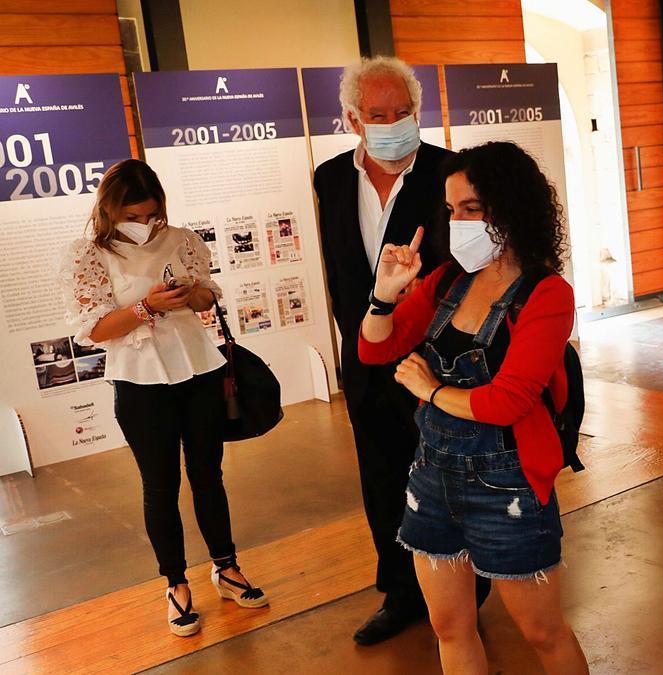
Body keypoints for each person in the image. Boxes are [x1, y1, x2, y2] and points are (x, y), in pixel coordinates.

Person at [359, 141, 587, 674]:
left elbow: (508, 402)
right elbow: (376, 347)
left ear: (510, 208)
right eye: (450, 209)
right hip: (432, 481)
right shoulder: (446, 282)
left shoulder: (547, 294)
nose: (456, 220)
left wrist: (431, 389)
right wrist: (383, 297)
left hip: (507, 487)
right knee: (449, 627)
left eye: (471, 209)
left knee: (542, 631)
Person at [313, 55, 488, 644]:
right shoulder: (331, 177)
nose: (392, 122)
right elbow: (341, 273)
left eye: (403, 112)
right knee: (383, 478)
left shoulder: (452, 172)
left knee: (451, 475)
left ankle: (472, 588)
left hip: (440, 360)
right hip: (365, 357)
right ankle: (401, 593)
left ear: (419, 113)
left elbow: (476, 264)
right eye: (377, 114)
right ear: (352, 119)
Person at [58, 159, 267, 637]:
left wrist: (192, 294)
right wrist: (146, 305)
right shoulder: (88, 255)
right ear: (110, 210)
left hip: (197, 370)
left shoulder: (183, 239)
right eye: (133, 216)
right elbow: (94, 331)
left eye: (151, 214)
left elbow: (207, 302)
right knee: (160, 486)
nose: (144, 224)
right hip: (137, 381)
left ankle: (227, 566)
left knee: (208, 475)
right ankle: (175, 584)